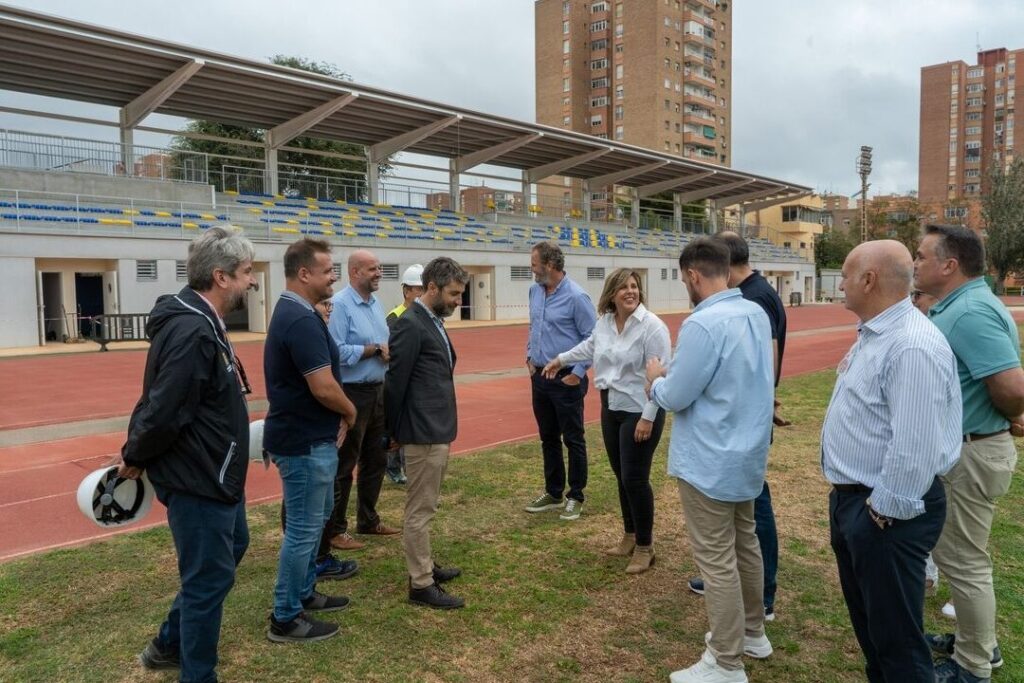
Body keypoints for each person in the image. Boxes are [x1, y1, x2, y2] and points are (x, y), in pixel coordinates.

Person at [119, 227, 256, 680]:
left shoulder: (203, 323)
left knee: (234, 546)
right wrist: (135, 454)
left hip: (217, 471)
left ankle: (166, 643)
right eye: (246, 273)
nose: (251, 282)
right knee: (207, 582)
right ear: (220, 277)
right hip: (198, 475)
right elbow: (164, 407)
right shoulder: (192, 330)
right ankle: (196, 672)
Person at [822, 239, 961, 683]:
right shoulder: (878, 333)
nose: (839, 284)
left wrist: (881, 512)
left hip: (886, 512)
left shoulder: (910, 345)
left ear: (868, 279)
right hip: (858, 504)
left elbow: (915, 446)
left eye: (844, 275)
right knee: (874, 630)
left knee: (897, 642)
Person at [646, 238, 774, 683]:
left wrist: (655, 381)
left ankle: (726, 661)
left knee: (717, 561)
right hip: (747, 452)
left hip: (710, 458)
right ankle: (754, 632)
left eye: (685, 280)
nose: (687, 286)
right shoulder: (755, 312)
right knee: (746, 545)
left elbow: (678, 394)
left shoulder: (704, 325)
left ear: (694, 276)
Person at [914, 224, 1024, 683]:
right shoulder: (961, 306)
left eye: (920, 256)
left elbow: (1014, 389)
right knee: (963, 556)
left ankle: (974, 664)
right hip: (969, 448)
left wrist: (1001, 417)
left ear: (948, 265)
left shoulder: (970, 312)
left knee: (964, 560)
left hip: (971, 452)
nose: (915, 263)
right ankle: (974, 642)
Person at [686, 231, 788, 621]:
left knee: (751, 516)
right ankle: (756, 602)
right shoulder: (754, 295)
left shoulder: (753, 299)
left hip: (739, 427)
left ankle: (761, 598)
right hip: (749, 418)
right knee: (746, 518)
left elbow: (767, 364)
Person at [542, 268, 670, 573]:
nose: (631, 292)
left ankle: (645, 547)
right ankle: (629, 535)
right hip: (611, 405)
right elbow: (589, 346)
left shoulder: (652, 327)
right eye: (624, 287)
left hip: (641, 409)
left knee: (635, 479)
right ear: (612, 293)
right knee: (621, 475)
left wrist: (648, 418)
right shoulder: (606, 323)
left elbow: (663, 373)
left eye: (635, 286)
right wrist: (561, 359)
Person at [264, 238, 358, 643]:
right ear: (304, 274)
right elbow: (322, 386)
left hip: (309, 437)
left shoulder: (297, 313)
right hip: (304, 442)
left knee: (315, 520)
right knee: (304, 529)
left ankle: (303, 594)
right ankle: (285, 615)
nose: (333, 276)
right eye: (327, 270)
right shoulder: (300, 320)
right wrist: (350, 411)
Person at [385, 256, 469, 609]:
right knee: (419, 510)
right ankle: (420, 584)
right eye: (452, 294)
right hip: (421, 431)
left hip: (436, 427)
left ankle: (425, 566)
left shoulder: (431, 319)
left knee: (427, 504)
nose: (457, 301)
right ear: (431, 288)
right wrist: (392, 433)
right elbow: (395, 383)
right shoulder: (410, 324)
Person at [323, 249, 400, 553]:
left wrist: (386, 352)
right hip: (352, 393)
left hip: (377, 391)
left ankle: (368, 519)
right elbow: (336, 351)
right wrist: (372, 351)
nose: (378, 273)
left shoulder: (375, 304)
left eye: (379, 268)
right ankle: (335, 530)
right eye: (372, 269)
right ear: (354, 272)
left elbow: (383, 343)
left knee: (376, 458)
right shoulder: (340, 305)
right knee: (345, 462)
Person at [524, 241, 598, 520]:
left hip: (566, 379)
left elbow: (593, 339)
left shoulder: (577, 297)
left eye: (534, 264)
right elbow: (534, 327)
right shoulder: (534, 291)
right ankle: (554, 492)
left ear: (550, 265)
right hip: (540, 377)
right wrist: (529, 358)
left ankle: (576, 495)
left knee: (573, 438)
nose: (531, 269)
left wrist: (576, 374)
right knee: (548, 438)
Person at [384, 263, 425, 485]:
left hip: (417, 381)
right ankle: (392, 467)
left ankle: (409, 467)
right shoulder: (395, 317)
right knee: (396, 426)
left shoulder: (425, 315)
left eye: (423, 289)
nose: (420, 293)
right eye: (417, 289)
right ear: (406, 290)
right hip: (399, 380)